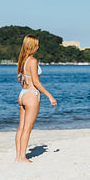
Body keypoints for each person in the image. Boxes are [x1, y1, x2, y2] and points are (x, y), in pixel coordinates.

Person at [15, 35, 57, 163]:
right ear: (32, 46)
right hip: (31, 95)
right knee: (27, 128)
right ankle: (23, 157)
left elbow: (22, 80)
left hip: (22, 94)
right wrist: (50, 97)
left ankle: (18, 156)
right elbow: (36, 82)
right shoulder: (32, 61)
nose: (38, 47)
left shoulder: (22, 60)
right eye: (36, 45)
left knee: (21, 128)